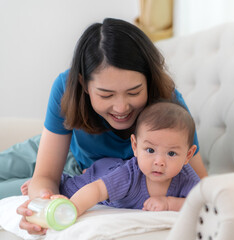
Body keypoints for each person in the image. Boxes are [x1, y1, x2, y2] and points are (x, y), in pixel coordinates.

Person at [8, 18, 207, 235]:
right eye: (106, 94)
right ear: (84, 84)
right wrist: (43, 199)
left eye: (133, 92)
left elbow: (201, 187)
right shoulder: (66, 88)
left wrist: (169, 202)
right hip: (58, 147)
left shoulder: (168, 109)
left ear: (148, 82)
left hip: (79, 174)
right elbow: (46, 175)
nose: (121, 107)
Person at [47, 101, 200, 216]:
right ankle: (63, 179)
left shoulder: (187, 178)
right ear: (135, 146)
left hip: (112, 168)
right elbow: (97, 190)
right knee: (71, 188)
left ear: (188, 155)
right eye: (150, 150)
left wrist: (170, 203)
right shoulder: (130, 175)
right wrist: (72, 207)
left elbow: (206, 203)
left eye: (171, 153)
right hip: (103, 174)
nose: (159, 161)